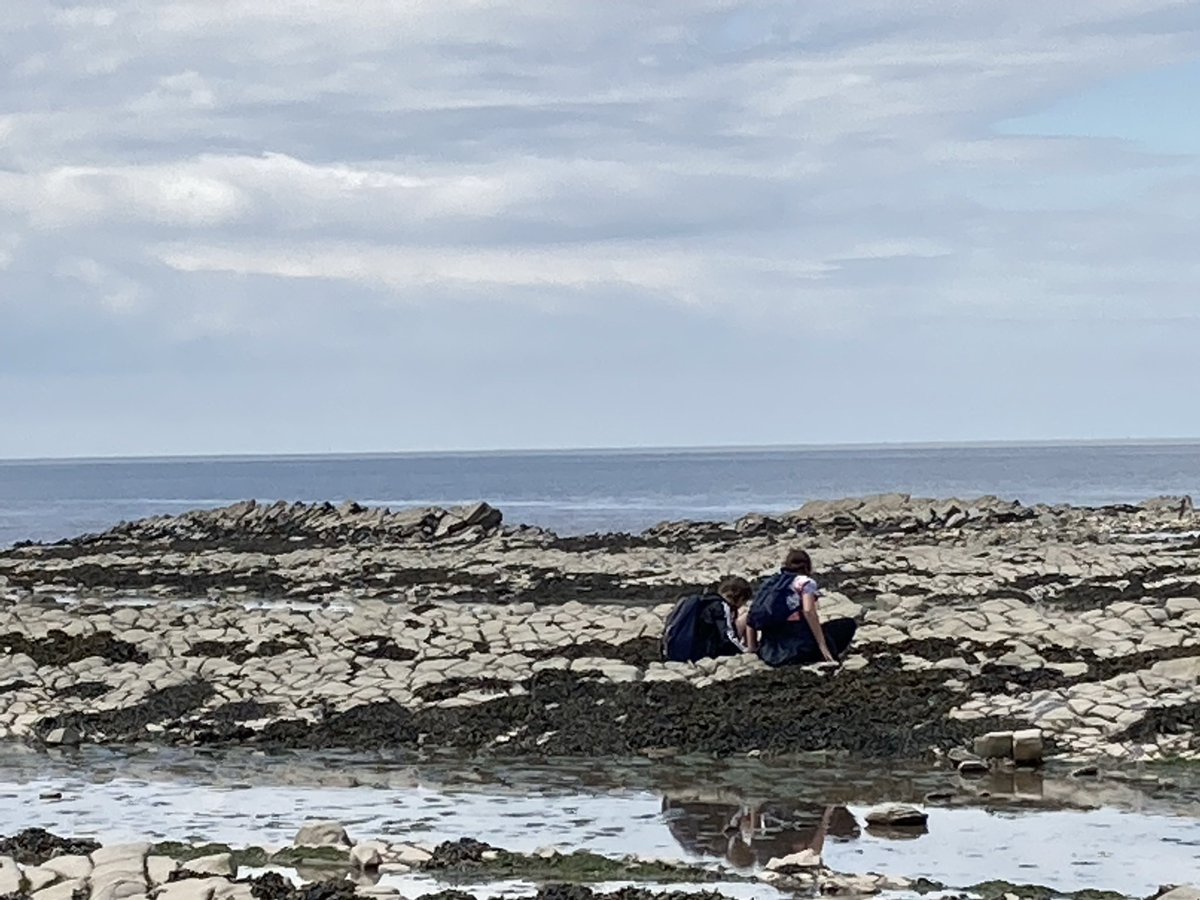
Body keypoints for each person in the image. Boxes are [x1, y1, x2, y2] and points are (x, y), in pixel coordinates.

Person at [754, 549, 857, 668]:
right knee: (847, 625)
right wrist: (822, 645)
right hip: (797, 647)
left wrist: (753, 647)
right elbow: (808, 611)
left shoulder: (770, 583)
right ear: (808, 567)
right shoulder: (805, 582)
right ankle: (820, 654)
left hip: (769, 650)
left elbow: (753, 615)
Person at [662, 575, 754, 662]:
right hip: (701, 653)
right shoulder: (721, 606)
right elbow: (726, 635)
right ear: (741, 598)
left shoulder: (703, 600)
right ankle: (751, 645)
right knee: (746, 615)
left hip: (678, 649)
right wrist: (742, 651)